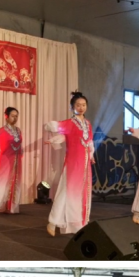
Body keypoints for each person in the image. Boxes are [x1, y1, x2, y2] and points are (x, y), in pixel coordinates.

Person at [44, 92, 95, 237]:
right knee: (66, 192)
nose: (81, 107)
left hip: (85, 165)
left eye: (83, 105)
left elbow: (90, 142)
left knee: (82, 193)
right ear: (72, 107)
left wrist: (91, 155)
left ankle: (77, 223)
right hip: (73, 162)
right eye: (78, 105)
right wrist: (53, 139)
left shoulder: (88, 124)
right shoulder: (70, 122)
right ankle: (53, 222)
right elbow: (60, 131)